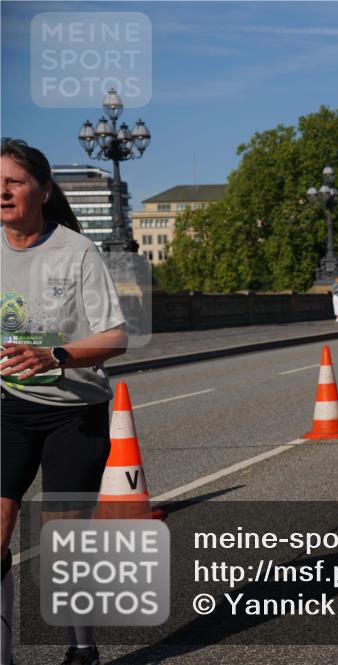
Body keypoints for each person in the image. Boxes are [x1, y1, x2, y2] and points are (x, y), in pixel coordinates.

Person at [1, 139, 129, 665]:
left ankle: (82, 648)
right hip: (7, 407)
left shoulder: (77, 252)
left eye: (14, 181)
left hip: (73, 411)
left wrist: (54, 355)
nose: (2, 191)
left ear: (44, 190)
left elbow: (116, 337)